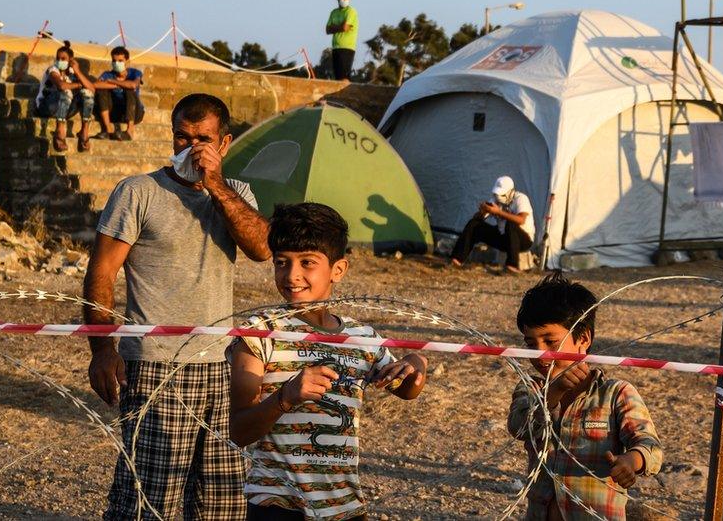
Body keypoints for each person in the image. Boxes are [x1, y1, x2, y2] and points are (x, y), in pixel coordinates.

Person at [83, 93, 271, 520]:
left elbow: (261, 248)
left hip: (222, 366)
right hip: (157, 366)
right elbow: (101, 274)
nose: (190, 149)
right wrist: (102, 350)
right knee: (151, 499)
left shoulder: (236, 193)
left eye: (202, 140)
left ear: (224, 144)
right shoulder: (139, 191)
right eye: (181, 138)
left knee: (222, 501)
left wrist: (216, 184)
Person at [229, 202, 428, 521]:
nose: (292, 275)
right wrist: (286, 397)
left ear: (338, 269)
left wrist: (416, 363)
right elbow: (239, 430)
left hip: (344, 507)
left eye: (307, 262)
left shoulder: (361, 338)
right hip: (278, 506)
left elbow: (407, 390)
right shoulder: (259, 333)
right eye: (282, 262)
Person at [508, 272, 662, 520]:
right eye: (530, 344)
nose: (540, 354)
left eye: (550, 341)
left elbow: (650, 446)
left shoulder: (616, 394)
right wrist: (554, 393)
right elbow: (519, 427)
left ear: (584, 338)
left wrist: (631, 462)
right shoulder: (530, 389)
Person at [451, 176, 535, 273]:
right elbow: (478, 218)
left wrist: (499, 212)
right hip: (503, 237)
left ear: (510, 192)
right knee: (474, 225)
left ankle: (512, 266)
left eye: (502, 194)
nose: (499, 197)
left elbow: (521, 220)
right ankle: (457, 259)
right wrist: (482, 211)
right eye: (497, 194)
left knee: (511, 224)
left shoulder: (520, 198)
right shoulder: (495, 200)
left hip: (523, 239)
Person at [34, 41, 95, 152]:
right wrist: (78, 85)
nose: (59, 61)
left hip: (66, 108)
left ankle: (84, 133)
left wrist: (77, 71)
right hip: (47, 106)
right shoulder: (53, 70)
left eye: (63, 59)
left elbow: (92, 89)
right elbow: (61, 86)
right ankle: (60, 131)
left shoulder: (72, 72)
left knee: (87, 93)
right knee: (65, 91)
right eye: (58, 58)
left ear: (70, 60)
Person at [93, 46, 145, 141]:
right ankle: (108, 128)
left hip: (134, 112)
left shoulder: (135, 73)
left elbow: (133, 85)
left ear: (127, 61)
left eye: (120, 61)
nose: (117, 63)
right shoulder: (108, 74)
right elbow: (96, 85)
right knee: (101, 91)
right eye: (114, 61)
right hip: (115, 111)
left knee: (130, 91)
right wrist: (119, 85)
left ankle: (129, 131)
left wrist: (113, 81)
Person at [325, 0, 358, 81]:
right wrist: (340, 26)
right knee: (338, 77)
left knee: (344, 77)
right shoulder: (333, 12)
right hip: (336, 48)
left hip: (347, 48)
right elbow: (327, 29)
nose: (345, 0)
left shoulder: (351, 12)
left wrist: (335, 27)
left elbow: (344, 28)